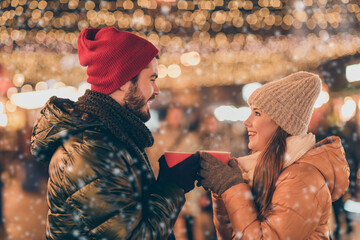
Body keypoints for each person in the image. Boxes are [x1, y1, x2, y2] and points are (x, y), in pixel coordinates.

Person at [30, 27, 199, 240]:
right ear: (124, 82)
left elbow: (128, 216)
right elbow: (135, 236)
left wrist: (164, 183)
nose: (156, 90)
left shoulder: (112, 137)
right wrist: (172, 187)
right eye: (152, 79)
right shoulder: (89, 150)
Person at [198, 71, 350, 239]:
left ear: (281, 123)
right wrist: (222, 192)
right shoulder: (261, 169)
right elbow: (233, 236)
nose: (246, 122)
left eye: (257, 113)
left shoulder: (301, 179)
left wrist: (231, 187)